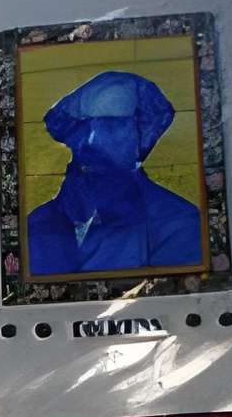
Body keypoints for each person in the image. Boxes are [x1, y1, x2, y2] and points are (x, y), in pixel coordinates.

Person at [25, 68, 203, 277]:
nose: (93, 140)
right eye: (81, 128)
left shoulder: (178, 221)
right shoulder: (37, 223)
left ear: (138, 136)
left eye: (113, 128)